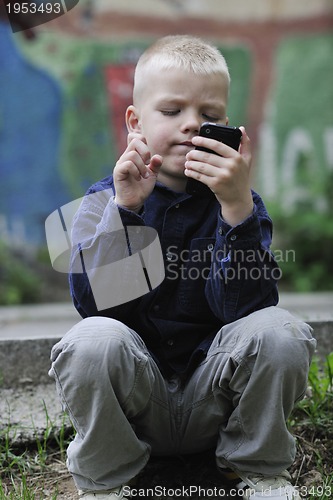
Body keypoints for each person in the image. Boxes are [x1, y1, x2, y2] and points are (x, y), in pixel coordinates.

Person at [49, 35, 316, 500]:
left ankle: (253, 467)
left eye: (209, 116)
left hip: (214, 401)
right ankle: (109, 479)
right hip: (139, 404)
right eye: (172, 111)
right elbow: (93, 307)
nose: (193, 124)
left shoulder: (240, 204)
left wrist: (234, 210)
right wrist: (127, 211)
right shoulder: (101, 201)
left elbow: (247, 311)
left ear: (229, 129)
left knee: (280, 330)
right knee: (91, 340)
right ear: (136, 122)